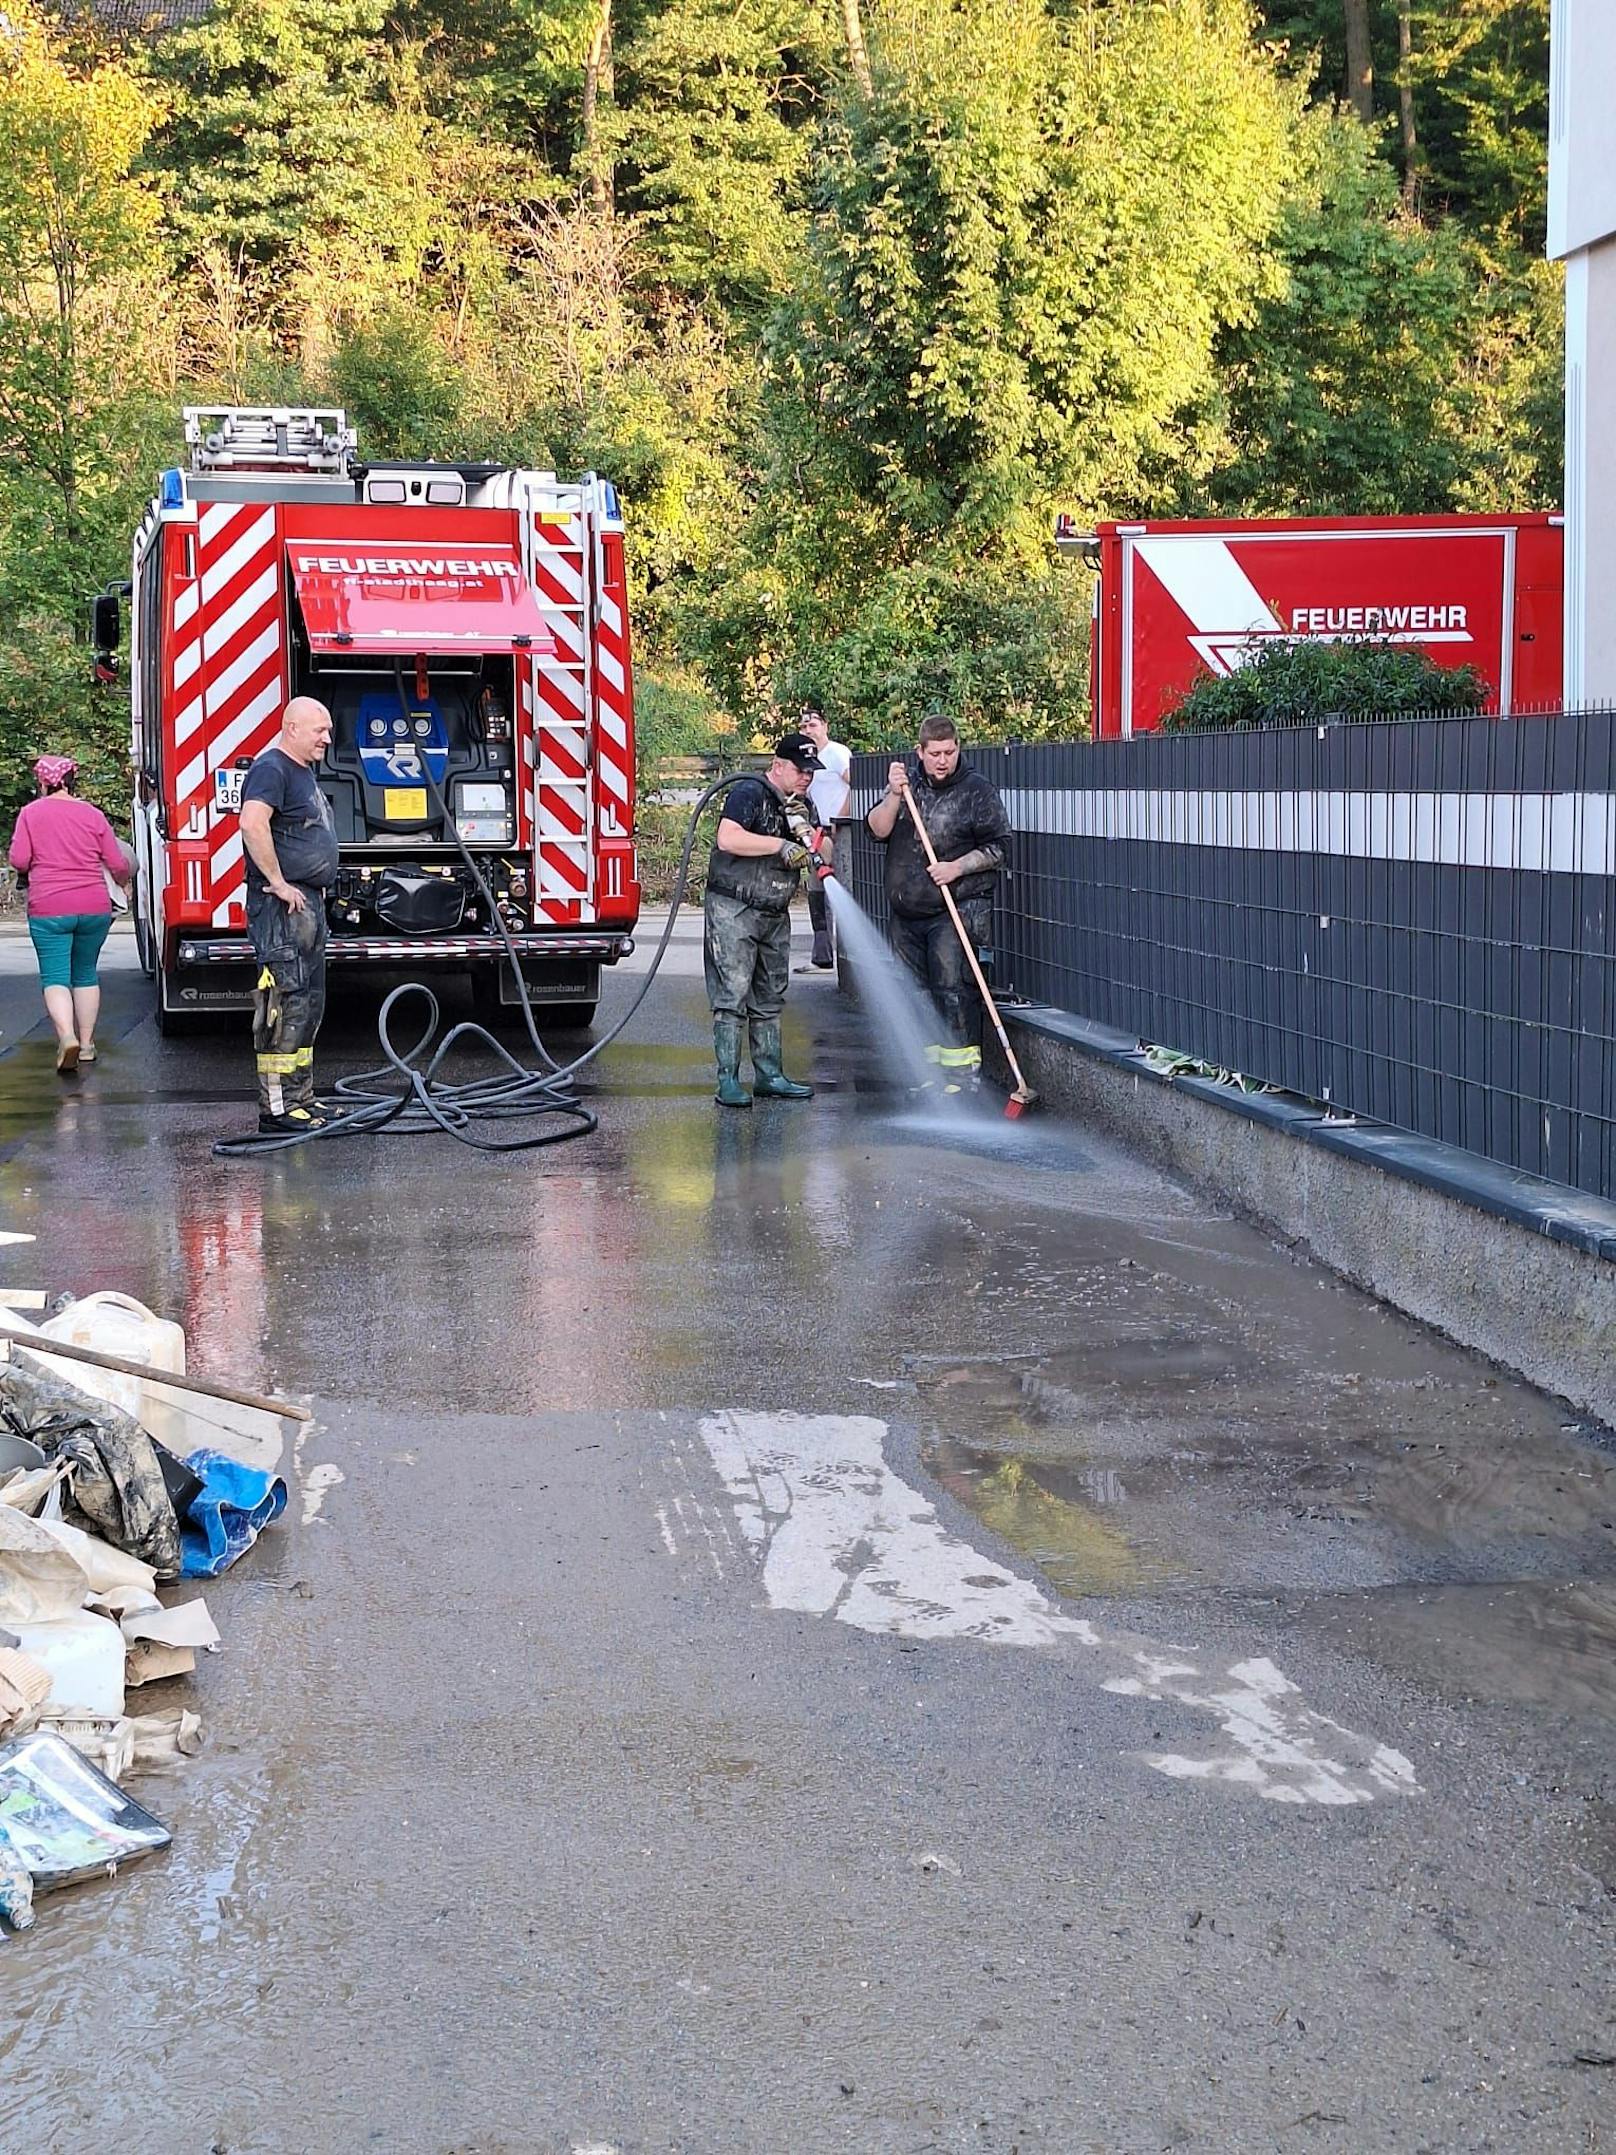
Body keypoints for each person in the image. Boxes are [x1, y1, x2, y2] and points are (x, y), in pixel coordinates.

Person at [865, 713, 1011, 1091]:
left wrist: (956, 868)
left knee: (952, 988)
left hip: (952, 909)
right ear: (921, 752)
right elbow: (877, 829)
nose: (943, 760)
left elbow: (999, 848)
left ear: (958, 748)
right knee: (914, 992)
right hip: (905, 911)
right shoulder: (905, 786)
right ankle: (925, 1073)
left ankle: (962, 1075)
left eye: (949, 751)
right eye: (935, 753)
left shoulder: (976, 790)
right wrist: (894, 795)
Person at [704, 731, 827, 1108]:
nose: (806, 777)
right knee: (732, 995)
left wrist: (812, 841)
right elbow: (728, 838)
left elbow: (827, 850)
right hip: (734, 908)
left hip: (774, 911)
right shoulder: (749, 793)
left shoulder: (804, 806)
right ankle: (727, 1080)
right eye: (800, 770)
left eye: (811, 771)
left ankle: (770, 1075)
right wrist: (779, 845)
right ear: (778, 766)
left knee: (770, 996)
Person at [238, 696, 340, 1134]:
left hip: (307, 906)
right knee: (284, 1003)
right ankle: (277, 1109)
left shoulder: (301, 772)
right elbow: (251, 822)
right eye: (319, 730)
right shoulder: (272, 768)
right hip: (282, 910)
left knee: (309, 1004)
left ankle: (301, 1099)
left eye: (328, 730)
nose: (327, 738)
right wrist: (279, 882)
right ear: (291, 728)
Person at [8, 755, 132, 1074]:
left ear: (43, 783)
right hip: (93, 906)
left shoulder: (30, 814)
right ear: (71, 780)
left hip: (49, 907)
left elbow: (19, 859)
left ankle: (67, 1037)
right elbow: (117, 863)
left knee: (55, 977)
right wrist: (123, 883)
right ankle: (88, 1044)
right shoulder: (92, 814)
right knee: (86, 973)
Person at [799, 707, 851, 970]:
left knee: (839, 889)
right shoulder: (808, 760)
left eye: (813, 725)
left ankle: (849, 955)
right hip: (817, 831)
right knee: (816, 892)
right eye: (804, 727)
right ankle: (822, 955)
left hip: (838, 832)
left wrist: (840, 820)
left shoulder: (837, 754)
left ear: (825, 726)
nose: (809, 731)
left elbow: (857, 785)